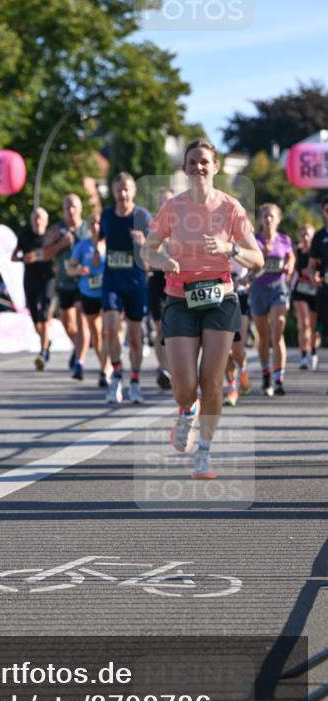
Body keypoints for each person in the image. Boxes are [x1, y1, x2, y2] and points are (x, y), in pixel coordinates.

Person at [142, 139, 263, 479]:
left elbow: (258, 258)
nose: (198, 167)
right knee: (184, 384)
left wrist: (229, 247)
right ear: (184, 167)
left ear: (216, 166)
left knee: (212, 380)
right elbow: (147, 252)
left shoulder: (231, 208)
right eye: (192, 161)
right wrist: (161, 259)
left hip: (221, 298)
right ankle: (187, 410)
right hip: (180, 298)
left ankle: (204, 453)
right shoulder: (173, 208)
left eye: (204, 162)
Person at [100, 172, 152, 405]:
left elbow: (155, 256)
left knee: (135, 336)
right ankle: (116, 376)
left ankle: (135, 382)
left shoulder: (143, 216)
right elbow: (98, 241)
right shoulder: (106, 215)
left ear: (134, 191)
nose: (122, 194)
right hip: (112, 280)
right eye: (118, 189)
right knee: (110, 329)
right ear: (113, 191)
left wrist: (143, 245)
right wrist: (94, 253)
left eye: (126, 189)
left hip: (136, 283)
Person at [249, 204, 294, 396]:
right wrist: (263, 255)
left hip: (278, 287)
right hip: (258, 288)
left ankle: (279, 379)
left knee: (278, 329)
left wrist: (290, 265)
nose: (268, 220)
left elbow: (291, 256)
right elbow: (250, 262)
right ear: (260, 219)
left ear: (278, 219)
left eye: (271, 216)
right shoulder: (254, 240)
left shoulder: (284, 239)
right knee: (263, 335)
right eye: (265, 216)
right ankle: (266, 373)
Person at [42, 194, 90, 373]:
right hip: (63, 282)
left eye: (74, 206)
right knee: (68, 324)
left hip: (84, 282)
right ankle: (78, 348)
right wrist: (61, 244)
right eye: (67, 207)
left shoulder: (88, 230)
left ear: (80, 208)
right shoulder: (57, 230)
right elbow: (45, 254)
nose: (71, 210)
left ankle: (80, 362)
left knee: (81, 317)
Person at [12, 207, 56, 371]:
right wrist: (24, 258)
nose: (37, 221)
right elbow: (14, 256)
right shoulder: (25, 236)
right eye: (35, 218)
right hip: (30, 279)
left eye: (40, 218)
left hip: (47, 279)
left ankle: (43, 352)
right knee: (35, 318)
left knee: (44, 314)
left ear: (46, 221)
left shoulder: (51, 236)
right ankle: (46, 341)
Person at [67, 212, 109, 384]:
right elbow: (70, 269)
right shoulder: (82, 245)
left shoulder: (110, 244)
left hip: (107, 292)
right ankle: (104, 367)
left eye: (99, 223)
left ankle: (107, 370)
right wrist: (79, 271)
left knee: (108, 331)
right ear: (89, 226)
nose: (96, 226)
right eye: (92, 223)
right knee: (97, 334)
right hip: (88, 292)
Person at [148, 186, 174, 391]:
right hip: (157, 280)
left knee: (175, 328)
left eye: (168, 202)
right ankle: (164, 369)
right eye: (160, 203)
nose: (164, 206)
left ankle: (176, 367)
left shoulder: (183, 225)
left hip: (177, 280)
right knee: (159, 328)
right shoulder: (152, 227)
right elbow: (147, 258)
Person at [223, 256, 252, 406]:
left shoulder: (242, 236)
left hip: (240, 295)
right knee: (223, 350)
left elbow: (257, 262)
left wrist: (247, 278)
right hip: (219, 296)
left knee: (237, 349)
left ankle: (243, 370)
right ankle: (232, 388)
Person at [291, 223, 320, 370]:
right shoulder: (297, 251)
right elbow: (292, 268)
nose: (306, 237)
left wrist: (314, 274)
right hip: (300, 290)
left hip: (315, 291)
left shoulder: (319, 251)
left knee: (313, 327)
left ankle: (313, 352)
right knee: (303, 323)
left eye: (308, 234)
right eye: (303, 235)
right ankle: (303, 356)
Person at [309, 196, 328, 392]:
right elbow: (311, 265)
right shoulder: (320, 236)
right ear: (324, 212)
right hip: (325, 291)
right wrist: (314, 277)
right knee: (323, 333)